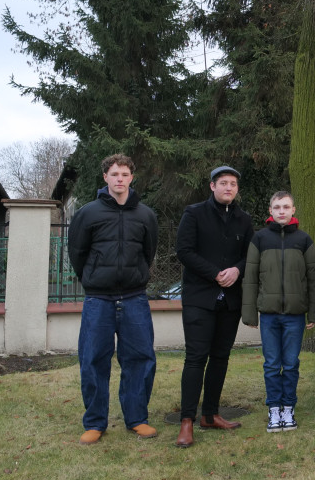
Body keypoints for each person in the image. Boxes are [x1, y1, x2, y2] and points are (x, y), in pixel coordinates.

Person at [68, 153, 159, 445]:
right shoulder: (88, 213)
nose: (120, 179)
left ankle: (137, 419)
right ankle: (95, 423)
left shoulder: (145, 215)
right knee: (93, 360)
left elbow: (148, 252)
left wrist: (136, 275)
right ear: (105, 177)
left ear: (132, 178)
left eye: (125, 174)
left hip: (134, 299)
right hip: (99, 300)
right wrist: (94, 278)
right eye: (114, 174)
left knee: (140, 359)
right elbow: (77, 253)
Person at [173, 166, 253, 448]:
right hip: (200, 298)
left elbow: (250, 255)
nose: (229, 188)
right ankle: (187, 421)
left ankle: (210, 414)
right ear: (212, 186)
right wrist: (215, 273)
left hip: (230, 301)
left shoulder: (244, 219)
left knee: (221, 357)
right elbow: (184, 251)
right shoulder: (194, 213)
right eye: (223, 183)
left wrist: (237, 270)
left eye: (233, 184)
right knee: (196, 358)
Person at [242, 191, 315, 433]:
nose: (281, 211)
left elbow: (313, 279)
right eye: (277, 207)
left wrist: (314, 313)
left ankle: (288, 407)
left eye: (286, 207)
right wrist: (250, 314)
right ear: (270, 211)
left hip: (295, 316)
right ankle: (274, 409)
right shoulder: (260, 239)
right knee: (271, 364)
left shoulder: (304, 240)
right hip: (269, 315)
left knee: (290, 364)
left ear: (293, 210)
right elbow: (250, 278)